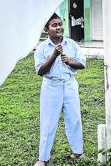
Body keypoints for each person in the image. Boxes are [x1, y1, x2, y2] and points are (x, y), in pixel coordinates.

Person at [34, 13, 86, 166]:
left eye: (60, 24)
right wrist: (54, 55)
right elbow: (40, 71)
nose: (58, 27)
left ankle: (78, 152)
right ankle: (43, 158)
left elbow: (82, 63)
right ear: (46, 29)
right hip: (51, 87)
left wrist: (70, 61)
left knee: (74, 118)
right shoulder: (42, 48)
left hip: (70, 84)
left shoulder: (71, 44)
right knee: (48, 122)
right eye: (54, 25)